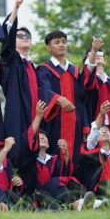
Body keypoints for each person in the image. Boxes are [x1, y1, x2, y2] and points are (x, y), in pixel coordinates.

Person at [0, 0, 43, 168]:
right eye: (19, 35)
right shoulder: (12, 61)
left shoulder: (33, 67)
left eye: (27, 36)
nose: (24, 37)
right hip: (18, 116)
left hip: (35, 117)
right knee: (18, 157)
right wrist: (15, 8)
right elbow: (6, 42)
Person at [37, 30, 89, 161]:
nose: (62, 45)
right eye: (57, 42)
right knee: (55, 157)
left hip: (75, 124)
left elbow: (82, 100)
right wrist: (59, 99)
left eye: (64, 42)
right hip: (55, 123)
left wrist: (85, 125)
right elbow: (43, 89)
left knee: (76, 159)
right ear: (49, 48)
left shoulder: (75, 71)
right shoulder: (44, 70)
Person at [34, 129, 93, 211]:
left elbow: (64, 176)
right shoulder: (31, 161)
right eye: (40, 138)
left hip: (57, 192)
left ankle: (91, 202)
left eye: (44, 137)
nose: (43, 138)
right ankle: (77, 203)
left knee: (68, 181)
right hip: (42, 194)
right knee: (54, 181)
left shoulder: (54, 159)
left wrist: (66, 154)